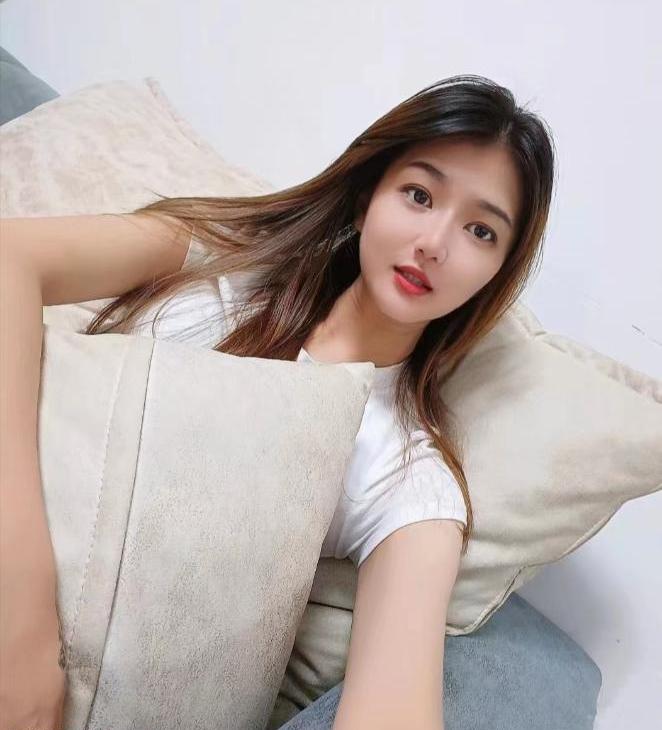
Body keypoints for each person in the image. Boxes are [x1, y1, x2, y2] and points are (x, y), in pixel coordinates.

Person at [0, 73, 555, 729]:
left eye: (481, 231)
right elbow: (10, 257)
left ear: (496, 274)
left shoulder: (406, 478)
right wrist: (23, 610)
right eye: (419, 194)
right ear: (366, 198)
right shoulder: (230, 255)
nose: (435, 243)